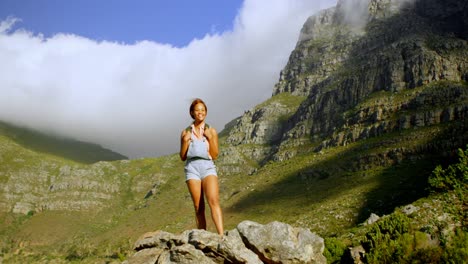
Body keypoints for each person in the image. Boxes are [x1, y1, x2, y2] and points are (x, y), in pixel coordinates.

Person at [180, 98, 224, 235]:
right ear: (192, 113)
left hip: (207, 166)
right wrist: (185, 142)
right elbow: (182, 156)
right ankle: (202, 237)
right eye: (197, 110)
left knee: (213, 200)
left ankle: (222, 235)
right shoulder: (185, 132)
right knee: (199, 206)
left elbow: (215, 154)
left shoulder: (212, 131)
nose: (200, 112)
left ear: (206, 112)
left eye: (203, 110)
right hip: (192, 168)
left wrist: (210, 138)